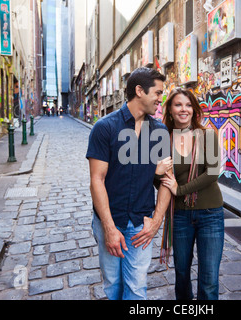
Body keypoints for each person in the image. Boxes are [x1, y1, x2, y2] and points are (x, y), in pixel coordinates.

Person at [86, 67, 171, 300]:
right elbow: (97, 180)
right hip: (109, 220)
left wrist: (155, 223)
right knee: (113, 286)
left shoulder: (159, 131)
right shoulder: (105, 128)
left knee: (136, 289)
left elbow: (167, 181)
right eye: (158, 92)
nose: (160, 98)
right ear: (139, 91)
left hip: (140, 224)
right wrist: (109, 228)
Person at [159, 87, 224, 300]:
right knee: (182, 275)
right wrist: (155, 172)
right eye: (178, 104)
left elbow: (212, 173)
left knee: (209, 279)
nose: (183, 109)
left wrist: (181, 189)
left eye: (188, 105)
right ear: (169, 110)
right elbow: (159, 182)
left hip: (210, 214)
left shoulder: (207, 135)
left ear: (194, 110)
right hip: (179, 216)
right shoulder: (162, 140)